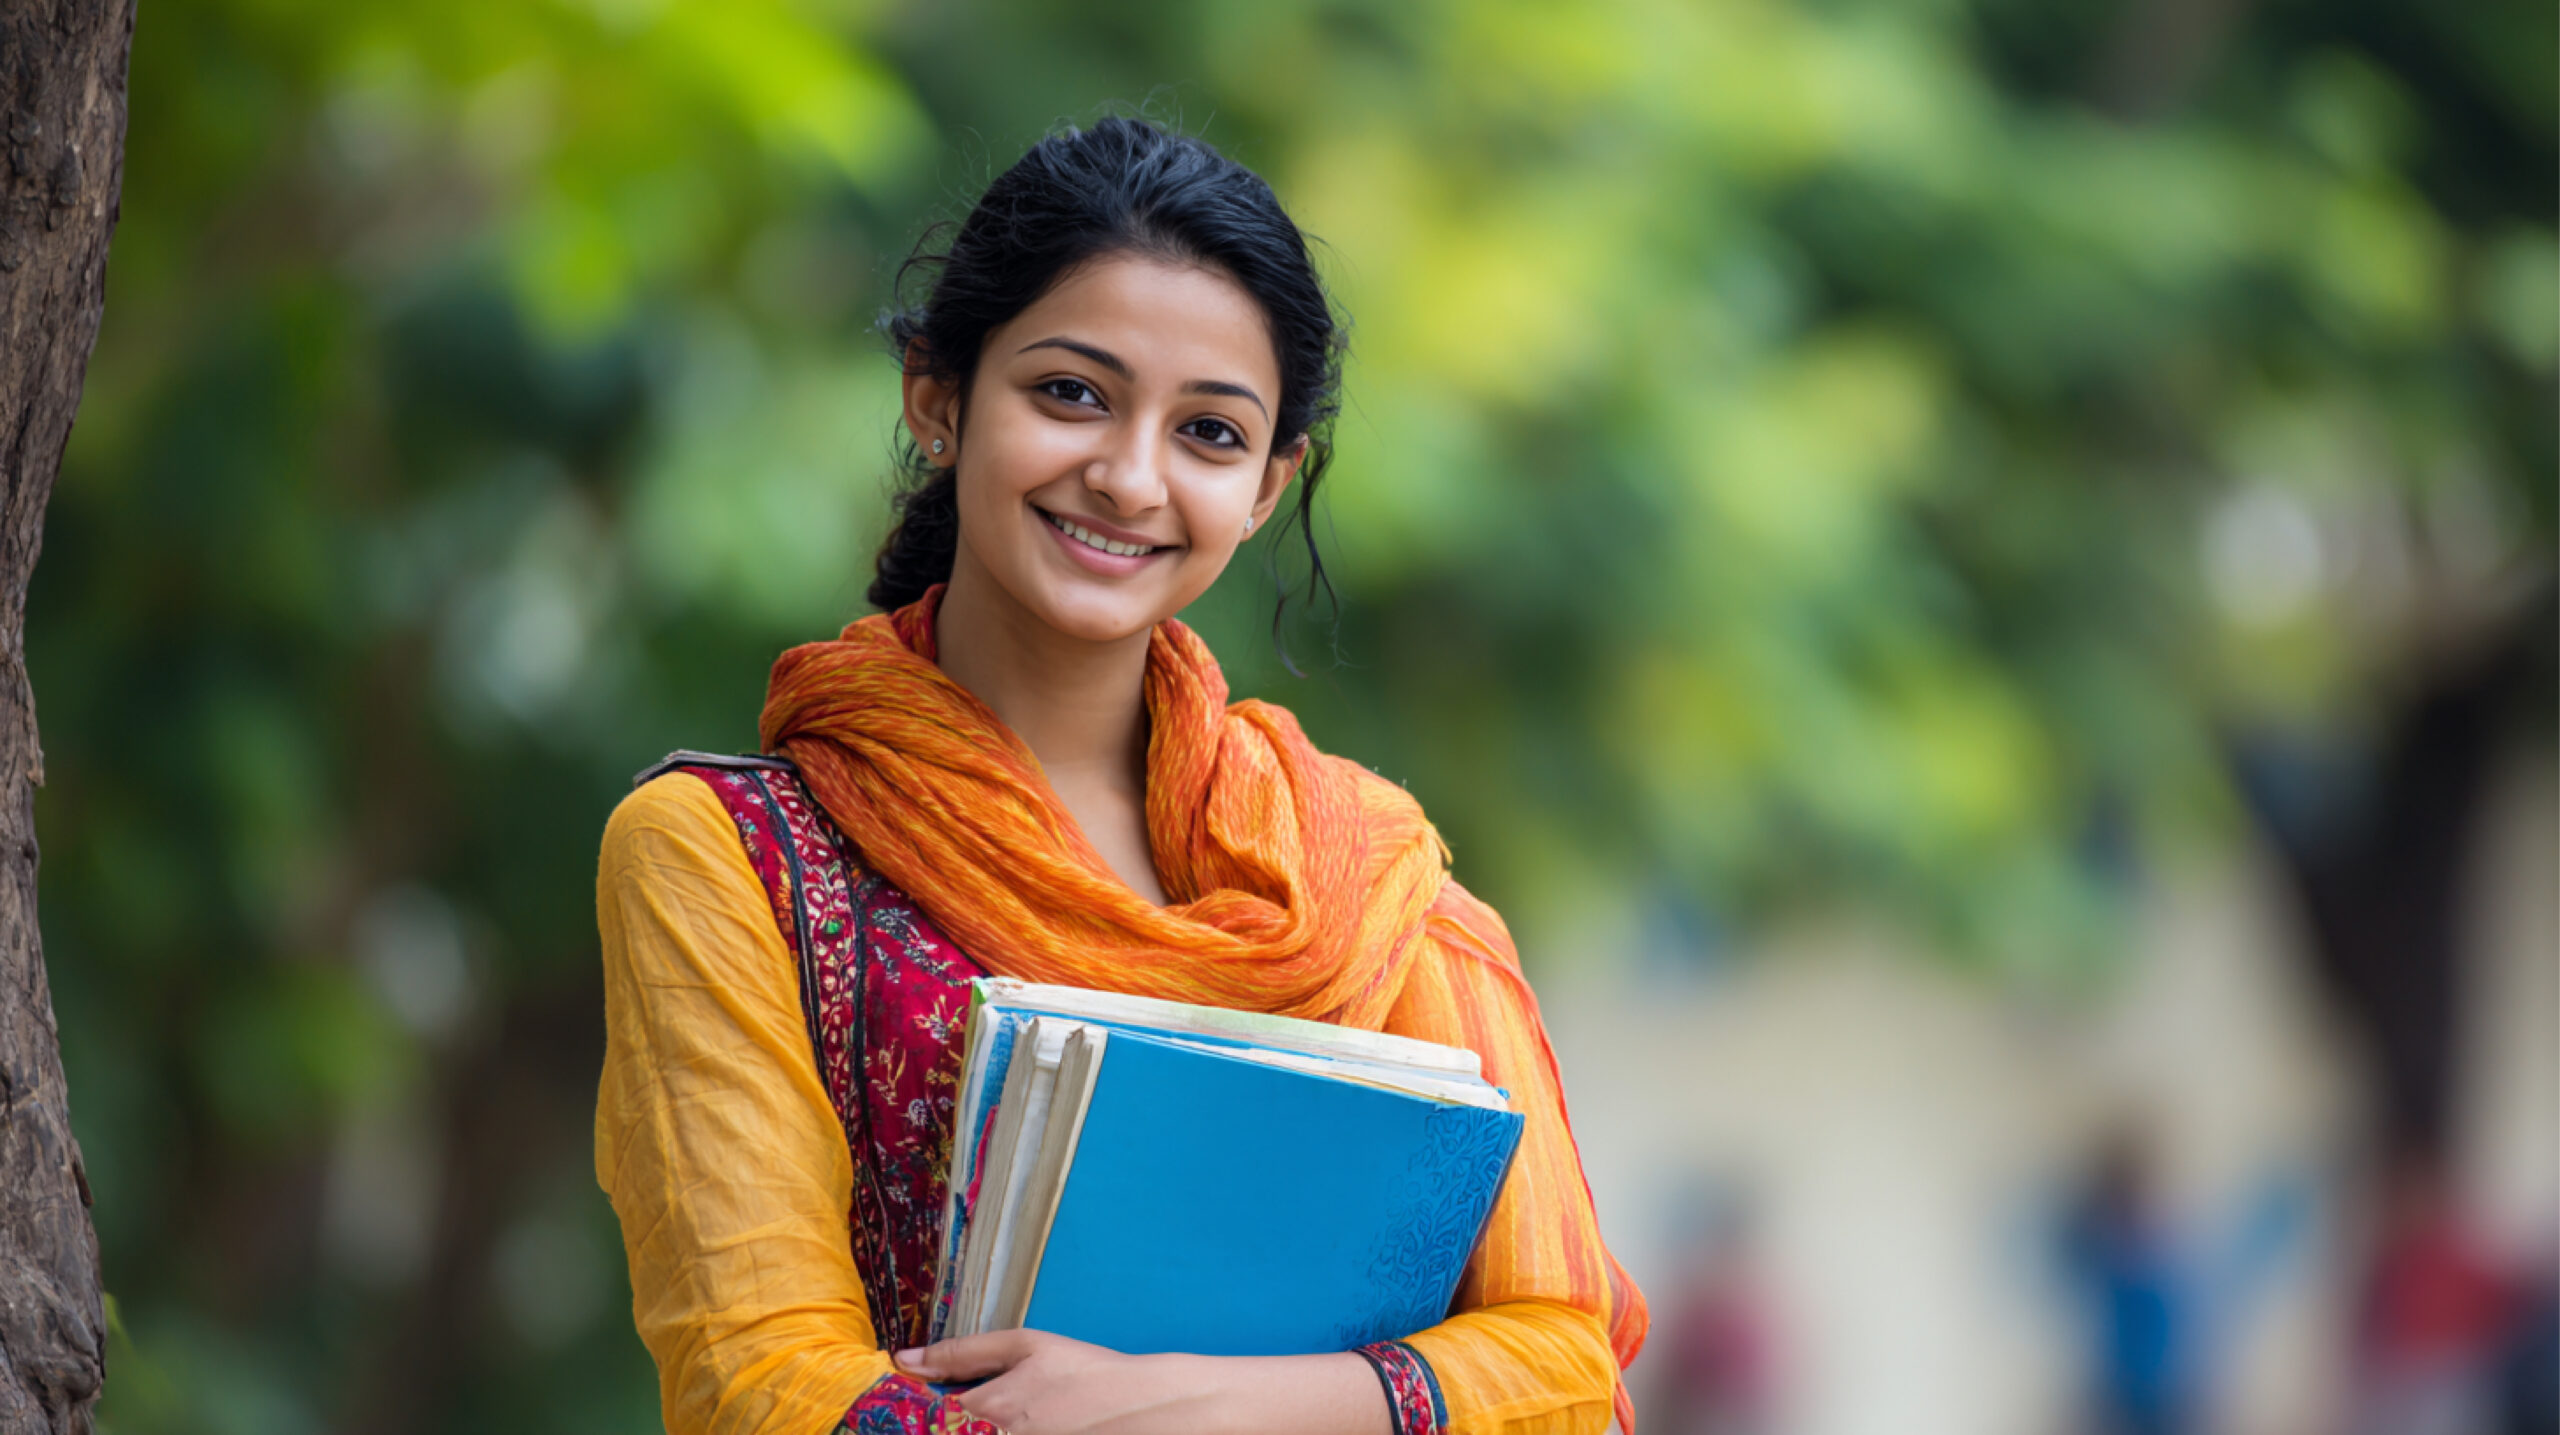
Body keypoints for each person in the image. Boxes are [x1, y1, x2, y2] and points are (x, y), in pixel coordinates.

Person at [593, 116, 1649, 1435]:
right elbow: (756, 1382)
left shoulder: (1369, 881)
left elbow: (1562, 1359)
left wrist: (1197, 1404)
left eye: (1209, 433)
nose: (1130, 476)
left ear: (1270, 486)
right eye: (1071, 394)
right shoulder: (729, 854)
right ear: (938, 396)